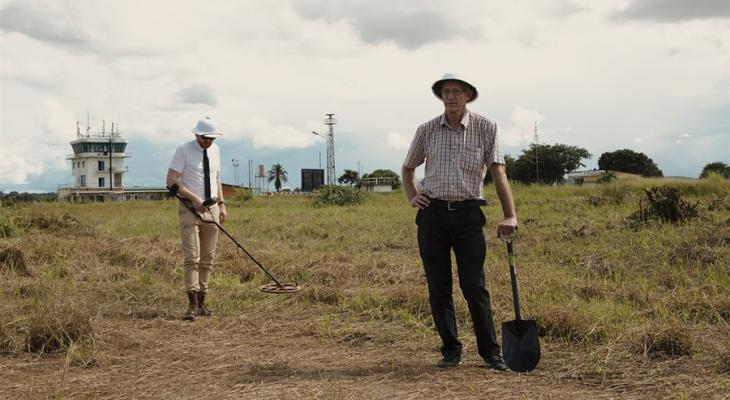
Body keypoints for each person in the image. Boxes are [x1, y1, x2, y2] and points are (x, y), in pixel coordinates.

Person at [402, 73, 517, 371]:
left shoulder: (485, 127)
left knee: (474, 286)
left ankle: (491, 352)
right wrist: (413, 196)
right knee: (438, 288)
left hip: (468, 216)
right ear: (440, 97)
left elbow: (498, 173)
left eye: (457, 91)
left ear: (468, 95)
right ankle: (451, 350)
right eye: (446, 92)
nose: (450, 96)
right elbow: (408, 168)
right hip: (433, 217)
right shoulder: (426, 130)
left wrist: (509, 215)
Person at [166, 117, 227, 321]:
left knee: (208, 259)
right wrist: (194, 198)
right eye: (205, 138)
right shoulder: (183, 150)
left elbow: (217, 179)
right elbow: (171, 181)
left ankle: (202, 302)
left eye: (212, 139)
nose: (208, 142)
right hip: (189, 208)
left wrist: (222, 204)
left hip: (212, 209)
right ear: (196, 134)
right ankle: (191, 303)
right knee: (193, 257)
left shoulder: (216, 151)